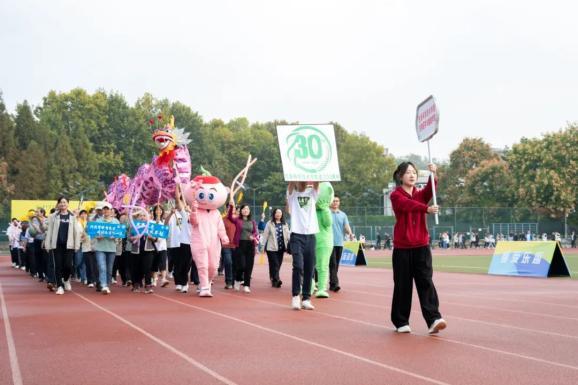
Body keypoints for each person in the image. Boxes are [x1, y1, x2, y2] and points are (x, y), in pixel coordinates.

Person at [389, 162, 446, 334]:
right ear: (400, 176)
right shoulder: (395, 195)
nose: (412, 175)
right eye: (407, 173)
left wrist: (433, 175)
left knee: (426, 282)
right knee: (402, 285)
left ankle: (434, 319)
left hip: (421, 246)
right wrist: (426, 209)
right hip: (403, 248)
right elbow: (407, 205)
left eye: (414, 172)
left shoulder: (420, 195)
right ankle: (401, 321)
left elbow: (430, 190)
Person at [287, 181, 319, 310]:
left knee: (309, 269)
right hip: (296, 235)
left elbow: (317, 183)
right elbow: (290, 185)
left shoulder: (312, 193)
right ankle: (295, 296)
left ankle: (306, 298)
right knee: (298, 266)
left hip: (311, 235)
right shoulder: (293, 194)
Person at [45, 197, 81, 295]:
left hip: (69, 245)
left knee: (68, 265)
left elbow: (76, 232)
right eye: (61, 202)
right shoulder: (53, 216)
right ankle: (60, 286)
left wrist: (77, 245)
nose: (63, 204)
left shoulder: (73, 216)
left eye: (64, 202)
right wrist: (47, 244)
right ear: (58, 204)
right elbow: (50, 231)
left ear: (68, 204)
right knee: (58, 265)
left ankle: (66, 280)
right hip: (57, 245)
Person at [228, 202, 259, 293]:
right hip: (240, 245)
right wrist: (231, 206)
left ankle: (246, 285)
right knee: (241, 265)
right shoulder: (237, 220)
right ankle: (237, 280)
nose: (246, 211)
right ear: (241, 211)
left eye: (247, 209)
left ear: (249, 211)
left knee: (249, 266)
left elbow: (255, 232)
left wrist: (253, 236)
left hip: (250, 245)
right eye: (244, 209)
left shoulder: (252, 221)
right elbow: (229, 217)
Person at [93, 202, 120, 295]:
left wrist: (115, 237)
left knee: (109, 268)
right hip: (100, 247)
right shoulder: (98, 221)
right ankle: (103, 285)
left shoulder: (116, 221)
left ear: (111, 210)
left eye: (107, 209)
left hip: (111, 248)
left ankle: (107, 284)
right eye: (104, 209)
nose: (105, 211)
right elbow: (94, 234)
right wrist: (97, 236)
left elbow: (120, 235)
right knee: (102, 267)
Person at [261, 208, 290, 288]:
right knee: (275, 264)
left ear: (282, 214)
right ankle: (277, 279)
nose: (278, 214)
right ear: (274, 214)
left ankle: (273, 279)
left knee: (277, 264)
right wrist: (262, 246)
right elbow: (265, 235)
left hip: (281, 248)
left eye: (280, 212)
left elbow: (288, 235)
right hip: (271, 248)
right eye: (277, 212)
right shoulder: (269, 223)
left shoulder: (285, 224)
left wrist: (290, 244)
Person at [329, 196, 353, 292]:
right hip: (329, 242)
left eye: (337, 201)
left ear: (339, 202)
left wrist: (350, 233)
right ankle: (335, 284)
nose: (335, 202)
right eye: (333, 201)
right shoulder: (327, 213)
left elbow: (346, 226)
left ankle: (332, 283)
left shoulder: (343, 215)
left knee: (336, 264)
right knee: (333, 263)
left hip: (339, 242)